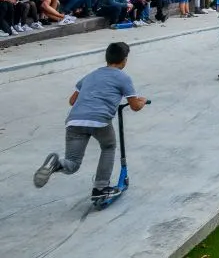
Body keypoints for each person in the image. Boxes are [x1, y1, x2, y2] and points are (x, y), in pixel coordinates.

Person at [33, 42, 147, 197]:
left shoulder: (90, 75)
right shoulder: (123, 77)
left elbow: (72, 101)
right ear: (124, 60)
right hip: (99, 121)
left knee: (72, 163)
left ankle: (56, 163)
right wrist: (143, 101)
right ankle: (100, 187)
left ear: (106, 58)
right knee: (108, 146)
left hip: (75, 121)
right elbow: (135, 106)